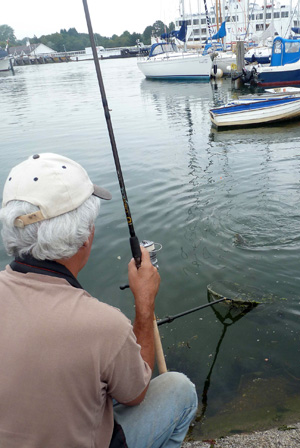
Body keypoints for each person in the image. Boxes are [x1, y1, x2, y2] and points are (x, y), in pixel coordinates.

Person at [0, 153, 198, 448]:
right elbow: (136, 392)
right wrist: (144, 304)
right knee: (180, 390)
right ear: (85, 238)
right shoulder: (103, 325)